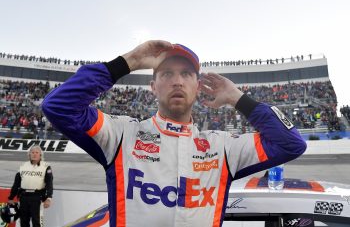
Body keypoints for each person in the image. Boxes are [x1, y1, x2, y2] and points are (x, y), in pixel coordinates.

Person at [42, 40, 306, 227]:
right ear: (153, 87)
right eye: (167, 73)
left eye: (186, 74)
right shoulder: (122, 134)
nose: (177, 81)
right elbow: (58, 106)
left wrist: (238, 98)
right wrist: (128, 62)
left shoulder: (224, 147)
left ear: (197, 86)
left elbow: (291, 143)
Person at [7, 145, 53, 227]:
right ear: (29, 154)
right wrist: (10, 198)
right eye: (32, 152)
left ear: (40, 155)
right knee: (23, 222)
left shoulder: (46, 167)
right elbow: (16, 183)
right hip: (23, 197)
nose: (34, 154)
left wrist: (49, 198)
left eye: (37, 152)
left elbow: (49, 184)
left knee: (36, 222)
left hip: (37, 197)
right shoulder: (23, 166)